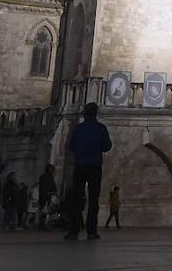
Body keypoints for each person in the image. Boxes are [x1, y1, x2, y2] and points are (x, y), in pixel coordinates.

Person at [65, 101, 112, 241]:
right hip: (95, 166)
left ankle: (74, 231)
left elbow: (72, 146)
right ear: (96, 113)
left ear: (84, 114)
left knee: (77, 198)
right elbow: (107, 146)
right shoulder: (101, 128)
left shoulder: (78, 129)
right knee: (93, 199)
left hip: (80, 165)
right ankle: (92, 231)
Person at [37, 164, 56, 230]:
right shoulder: (43, 176)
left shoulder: (51, 176)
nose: (51, 170)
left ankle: (45, 225)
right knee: (43, 211)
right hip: (43, 196)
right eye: (50, 169)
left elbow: (53, 185)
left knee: (47, 211)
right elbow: (42, 186)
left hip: (48, 196)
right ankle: (41, 225)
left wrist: (54, 191)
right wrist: (46, 192)